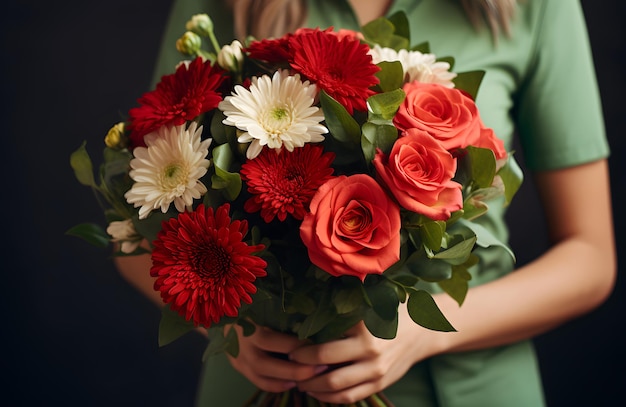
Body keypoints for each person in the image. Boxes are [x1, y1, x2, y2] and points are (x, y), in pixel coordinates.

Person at [114, 0, 617, 406]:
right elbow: (138, 234)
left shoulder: (537, 7)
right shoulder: (227, 5)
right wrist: (227, 328)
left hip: (471, 384)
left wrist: (428, 331)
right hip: (263, 380)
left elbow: (591, 257)